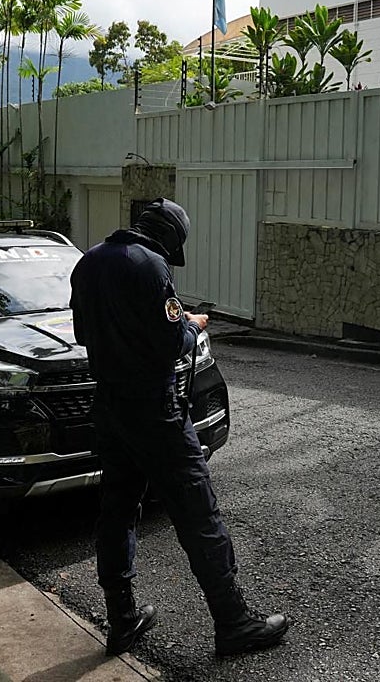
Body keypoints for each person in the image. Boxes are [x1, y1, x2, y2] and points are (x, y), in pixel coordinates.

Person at [70, 198, 289, 658]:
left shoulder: (88, 262)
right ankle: (233, 622)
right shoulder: (152, 267)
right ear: (170, 237)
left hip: (109, 407)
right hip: (156, 411)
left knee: (117, 511)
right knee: (197, 512)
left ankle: (122, 618)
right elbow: (172, 342)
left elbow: (84, 335)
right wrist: (191, 325)